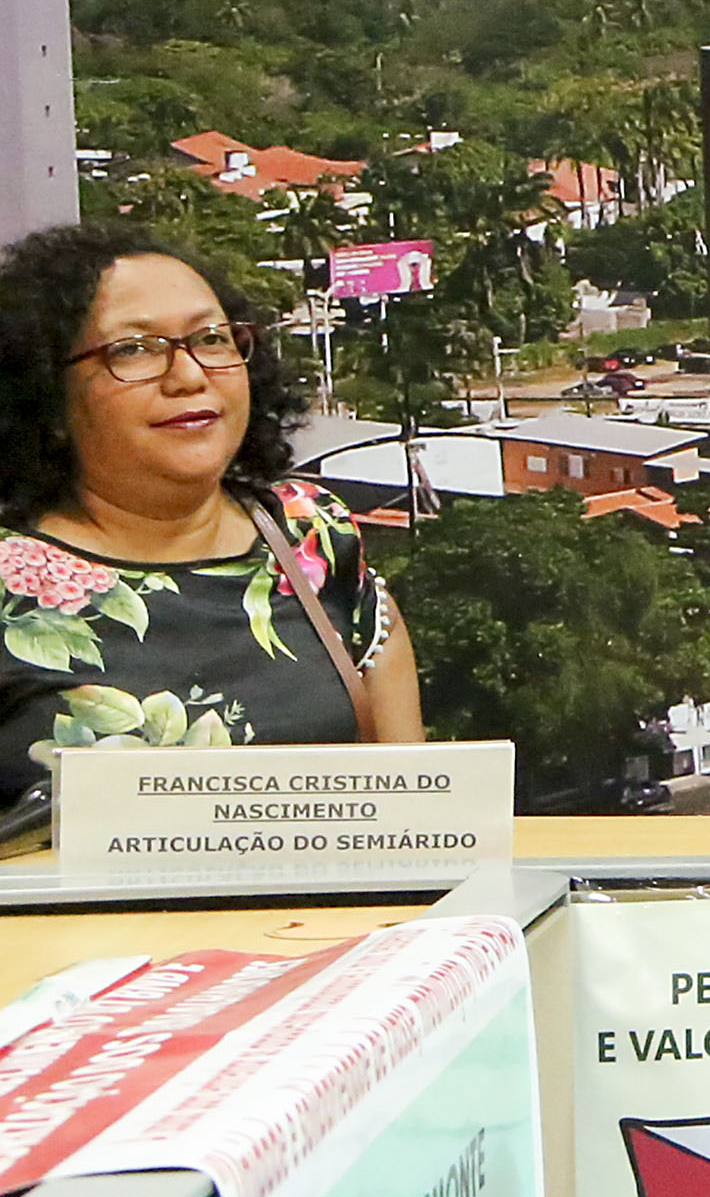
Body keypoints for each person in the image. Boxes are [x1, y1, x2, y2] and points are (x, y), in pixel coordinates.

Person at [0, 221, 425, 797]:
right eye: (133, 349)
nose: (189, 375)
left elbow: (409, 813)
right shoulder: (10, 585)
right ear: (47, 392)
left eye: (211, 339)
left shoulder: (313, 533)